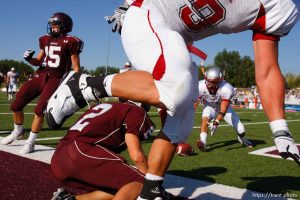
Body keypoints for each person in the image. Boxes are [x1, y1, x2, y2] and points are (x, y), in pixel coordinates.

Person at [46, 0, 300, 199]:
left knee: (183, 112)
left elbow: (266, 70)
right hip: (149, 13)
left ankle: (151, 189)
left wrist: (281, 129)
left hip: (178, 35)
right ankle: (87, 85)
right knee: (177, 89)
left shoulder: (281, 7)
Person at [1, 12, 83, 154]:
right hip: (40, 75)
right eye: (51, 25)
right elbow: (38, 61)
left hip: (55, 78)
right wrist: (29, 59)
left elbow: (76, 67)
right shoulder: (45, 39)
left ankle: (31, 142)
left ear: (64, 27)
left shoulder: (71, 41)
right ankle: (18, 132)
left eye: (55, 25)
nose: (52, 28)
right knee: (16, 104)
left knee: (39, 110)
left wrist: (73, 82)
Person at [51, 102, 155, 200]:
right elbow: (137, 157)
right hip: (80, 153)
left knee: (122, 186)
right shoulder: (136, 111)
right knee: (144, 183)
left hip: (58, 157)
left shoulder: (106, 106)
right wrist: (150, 180)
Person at [194, 67, 253, 152]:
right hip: (210, 105)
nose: (211, 84)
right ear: (206, 78)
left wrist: (216, 122)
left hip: (223, 107)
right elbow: (194, 103)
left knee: (241, 129)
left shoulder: (227, 88)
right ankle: (203, 142)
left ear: (221, 79)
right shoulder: (200, 86)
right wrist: (191, 111)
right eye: (210, 81)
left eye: (215, 81)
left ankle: (242, 139)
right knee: (205, 119)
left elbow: (223, 110)